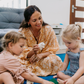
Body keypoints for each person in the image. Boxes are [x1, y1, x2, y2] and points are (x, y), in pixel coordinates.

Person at [18, 5, 63, 76]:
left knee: (56, 60)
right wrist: (33, 51)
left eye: (40, 18)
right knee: (14, 61)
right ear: (28, 21)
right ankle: (32, 71)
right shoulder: (22, 32)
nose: (39, 22)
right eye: (34, 20)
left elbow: (53, 50)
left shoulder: (48, 29)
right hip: (28, 60)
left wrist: (41, 55)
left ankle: (28, 72)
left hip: (44, 58)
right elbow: (21, 52)